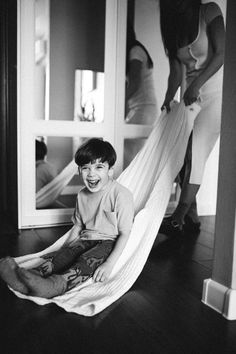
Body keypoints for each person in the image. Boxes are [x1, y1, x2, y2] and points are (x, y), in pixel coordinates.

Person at [0, 138, 134, 298]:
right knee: (63, 255)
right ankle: (26, 278)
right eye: (86, 168)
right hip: (86, 239)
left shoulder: (121, 194)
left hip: (109, 242)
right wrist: (66, 249)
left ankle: (56, 285)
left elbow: (125, 233)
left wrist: (109, 264)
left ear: (110, 170)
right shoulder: (82, 195)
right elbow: (78, 227)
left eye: (99, 167)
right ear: (79, 171)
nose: (91, 174)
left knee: (87, 260)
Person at [159, 0, 225, 236]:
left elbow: (221, 54)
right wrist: (168, 97)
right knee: (179, 153)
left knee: (196, 153)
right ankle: (192, 214)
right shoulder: (172, 26)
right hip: (190, 97)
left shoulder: (209, 11)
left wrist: (195, 85)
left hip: (215, 94)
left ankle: (178, 216)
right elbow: (176, 71)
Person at [124, 20, 158, 167]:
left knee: (127, 152)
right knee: (128, 151)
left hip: (143, 109)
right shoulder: (134, 51)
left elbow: (135, 82)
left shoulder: (135, 51)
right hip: (139, 109)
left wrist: (118, 102)